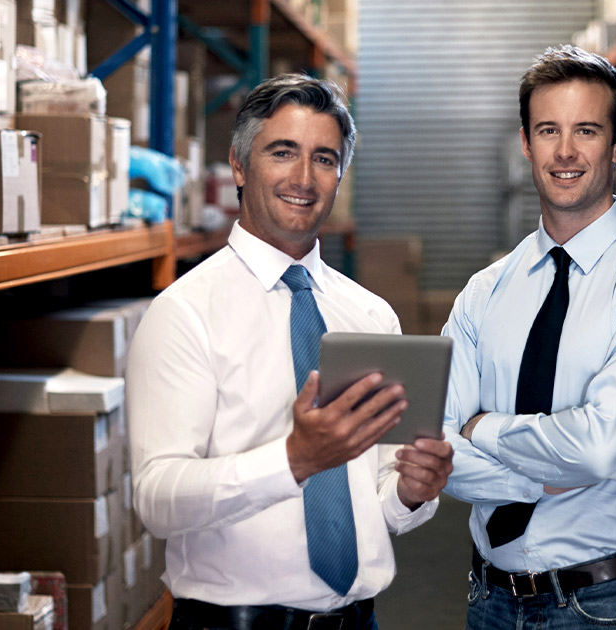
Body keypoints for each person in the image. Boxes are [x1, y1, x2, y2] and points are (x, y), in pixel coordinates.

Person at [127, 73, 454, 630]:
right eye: (283, 152)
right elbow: (157, 500)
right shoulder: (185, 312)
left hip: (356, 621)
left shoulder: (372, 316)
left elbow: (373, 502)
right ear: (238, 165)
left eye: (324, 159)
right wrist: (294, 460)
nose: (304, 178)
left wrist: (410, 491)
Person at [441, 45, 616, 630]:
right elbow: (435, 446)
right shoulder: (485, 291)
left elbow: (600, 448)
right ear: (525, 144)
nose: (564, 151)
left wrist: (482, 428)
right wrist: (543, 476)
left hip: (606, 604)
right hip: (490, 600)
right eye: (547, 130)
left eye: (585, 130)